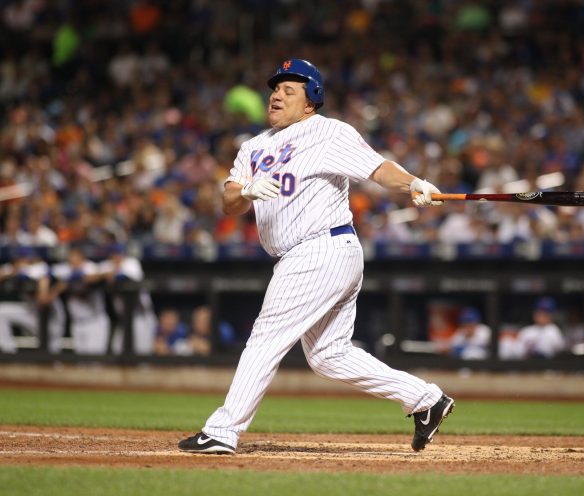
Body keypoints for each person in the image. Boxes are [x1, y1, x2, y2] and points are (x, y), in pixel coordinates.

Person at [178, 58, 454, 455]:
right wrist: (246, 191)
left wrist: (414, 183)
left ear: (311, 102)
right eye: (276, 88)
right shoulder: (252, 147)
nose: (277, 94)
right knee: (329, 356)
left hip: (319, 247)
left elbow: (378, 169)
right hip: (313, 256)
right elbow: (228, 203)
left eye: (290, 90)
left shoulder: (327, 132)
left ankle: (223, 430)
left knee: (265, 339)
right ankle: (426, 399)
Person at [0, 246, 66, 353]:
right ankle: (9, 352)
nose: (20, 260)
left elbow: (43, 298)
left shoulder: (39, 268)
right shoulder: (15, 268)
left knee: (52, 351)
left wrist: (32, 281)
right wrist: (13, 272)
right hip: (31, 312)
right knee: (1, 312)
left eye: (23, 258)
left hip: (52, 316)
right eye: (18, 258)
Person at [99, 243, 158, 355]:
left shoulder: (131, 263)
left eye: (119, 254)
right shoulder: (107, 265)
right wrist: (105, 274)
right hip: (124, 319)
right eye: (114, 255)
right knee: (117, 350)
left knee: (142, 354)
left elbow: (124, 277)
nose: (117, 257)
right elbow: (93, 273)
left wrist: (111, 274)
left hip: (141, 317)